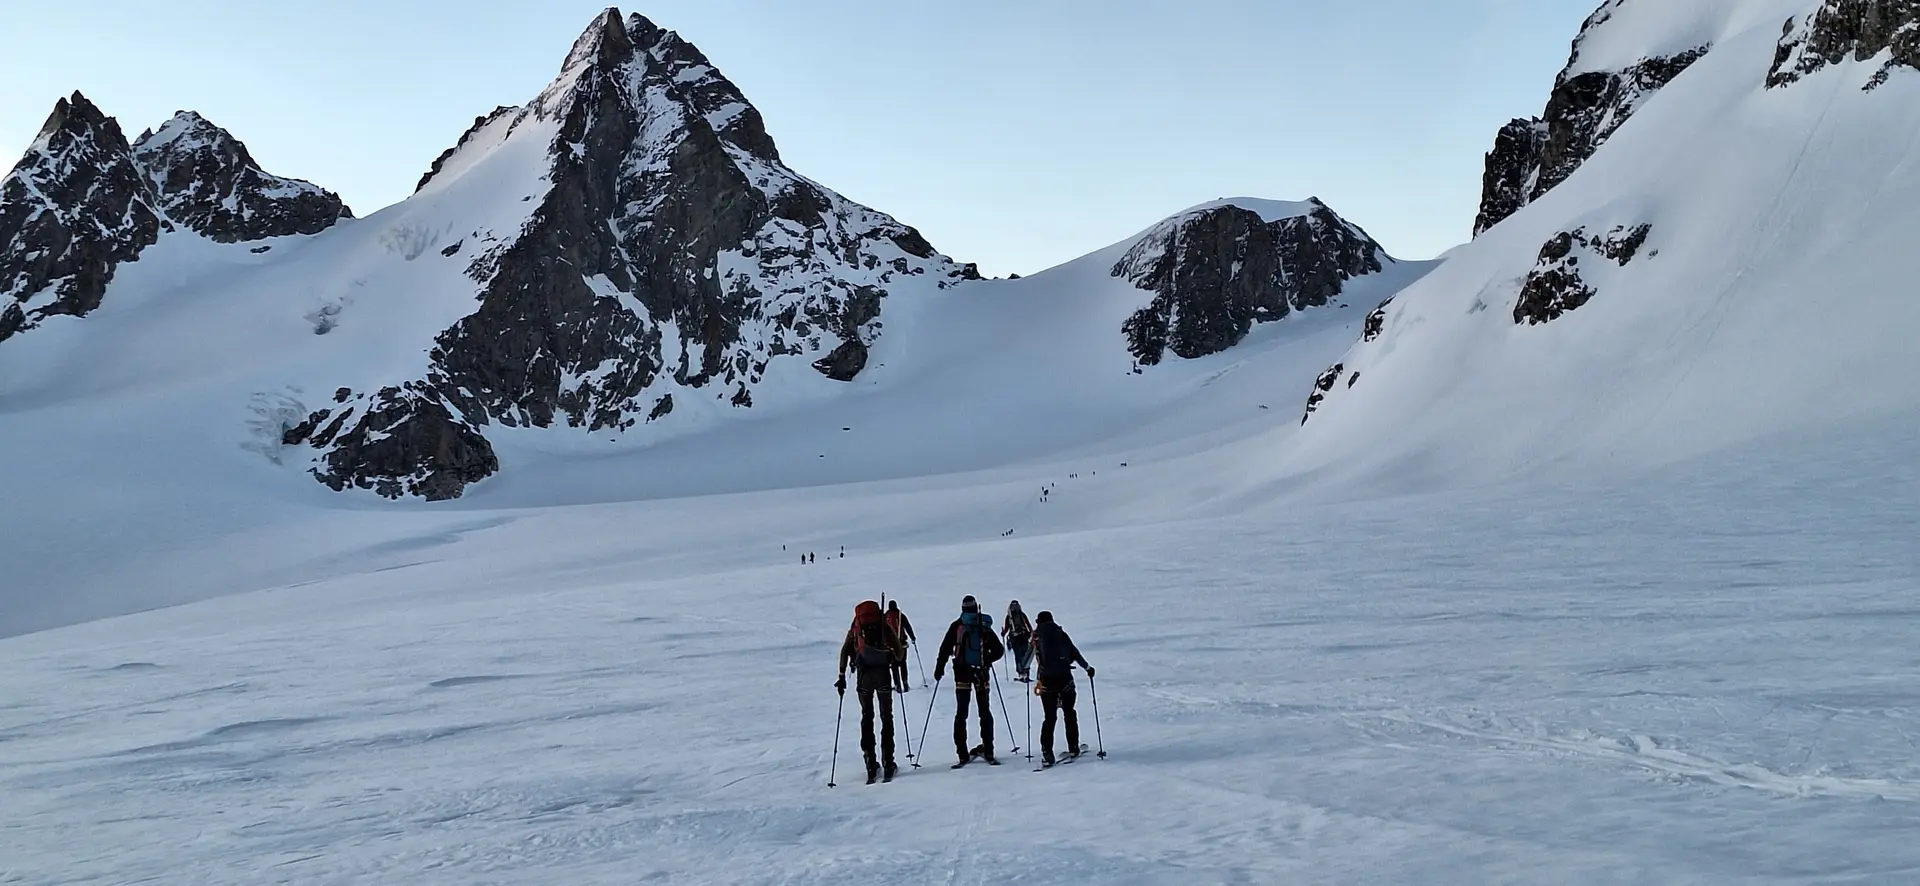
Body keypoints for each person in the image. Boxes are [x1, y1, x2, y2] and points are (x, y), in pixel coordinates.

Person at [933, 594, 1005, 767]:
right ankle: (989, 751)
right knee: (984, 711)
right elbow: (999, 650)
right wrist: (986, 660)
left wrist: (939, 668)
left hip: (961, 672)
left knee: (961, 713)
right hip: (981, 673)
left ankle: (962, 755)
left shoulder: (957, 625)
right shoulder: (983, 625)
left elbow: (945, 648)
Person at [837, 600, 901, 783]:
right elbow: (898, 651)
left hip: (864, 677)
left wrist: (842, 675)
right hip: (883, 675)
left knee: (867, 716)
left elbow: (844, 651)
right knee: (886, 716)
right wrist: (894, 658)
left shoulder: (857, 627)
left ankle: (870, 764)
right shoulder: (882, 624)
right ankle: (888, 762)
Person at [1031, 610, 1094, 766]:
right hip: (1065, 680)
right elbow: (1075, 653)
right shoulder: (1061, 634)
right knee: (1069, 713)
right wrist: (1087, 668)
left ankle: (1047, 753)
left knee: (1050, 718)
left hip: (1046, 683)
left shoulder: (1036, 637)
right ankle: (1073, 747)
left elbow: (1026, 660)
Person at [885, 600, 916, 693]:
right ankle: (905, 684)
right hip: (902, 644)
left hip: (891, 645)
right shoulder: (900, 615)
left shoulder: (886, 616)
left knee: (894, 666)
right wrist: (912, 637)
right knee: (903, 664)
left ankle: (897, 685)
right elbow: (907, 626)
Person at [1002, 600, 1035, 682]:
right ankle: (1026, 674)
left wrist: (1003, 633)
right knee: (1025, 656)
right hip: (1024, 637)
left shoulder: (1009, 617)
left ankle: (1021, 674)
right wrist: (1031, 633)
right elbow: (1028, 625)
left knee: (1018, 657)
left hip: (1015, 639)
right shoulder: (1022, 615)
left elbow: (1006, 628)